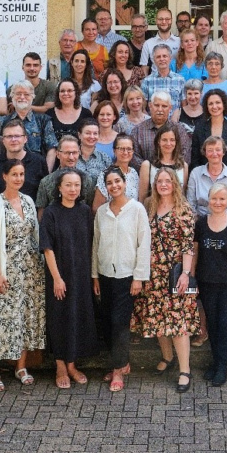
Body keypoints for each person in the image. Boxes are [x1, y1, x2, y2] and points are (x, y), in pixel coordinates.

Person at [132, 168, 200, 393]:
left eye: (167, 181)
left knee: (179, 322)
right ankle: (167, 357)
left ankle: (185, 370)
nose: (163, 184)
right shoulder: (148, 205)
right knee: (157, 318)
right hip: (151, 273)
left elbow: (188, 245)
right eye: (159, 181)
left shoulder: (184, 209)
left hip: (175, 274)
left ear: (175, 183)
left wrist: (186, 274)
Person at [0, 159, 45, 391]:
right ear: (4, 177)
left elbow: (35, 235)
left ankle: (21, 366)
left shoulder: (28, 201)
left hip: (30, 271)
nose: (18, 178)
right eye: (14, 174)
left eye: (21, 174)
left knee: (27, 319)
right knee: (0, 320)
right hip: (6, 272)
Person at [92, 167, 152, 392]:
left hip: (127, 277)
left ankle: (118, 370)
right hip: (106, 274)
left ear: (125, 183)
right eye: (109, 182)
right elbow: (96, 244)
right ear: (105, 187)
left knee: (119, 324)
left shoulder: (137, 210)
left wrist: (139, 277)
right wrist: (95, 275)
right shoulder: (101, 212)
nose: (114, 186)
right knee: (107, 323)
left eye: (117, 181)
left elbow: (143, 244)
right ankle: (122, 363)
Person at [40, 169, 98, 389]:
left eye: (77, 185)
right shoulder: (51, 213)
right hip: (59, 274)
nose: (73, 189)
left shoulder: (84, 211)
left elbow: (91, 244)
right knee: (59, 318)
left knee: (76, 318)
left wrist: (93, 277)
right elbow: (47, 247)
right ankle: (60, 366)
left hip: (80, 274)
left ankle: (72, 365)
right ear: (59, 188)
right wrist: (57, 278)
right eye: (68, 185)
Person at [194, 182, 227, 387]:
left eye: (222, 199)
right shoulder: (200, 224)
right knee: (213, 324)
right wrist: (193, 279)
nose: (218, 202)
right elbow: (196, 252)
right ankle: (216, 361)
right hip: (207, 282)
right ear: (208, 200)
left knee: (225, 325)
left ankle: (222, 366)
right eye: (214, 198)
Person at [0, 80, 59, 171]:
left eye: (26, 94)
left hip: (36, 171)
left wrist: (45, 174)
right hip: (9, 172)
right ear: (12, 97)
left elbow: (52, 148)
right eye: (18, 94)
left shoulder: (43, 120)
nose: (22, 97)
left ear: (33, 97)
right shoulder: (1, 121)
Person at [0, 121, 48, 202]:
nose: (13, 140)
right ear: (3, 140)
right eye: (9, 136)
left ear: (25, 139)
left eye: (17, 136)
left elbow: (44, 196)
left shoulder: (39, 162)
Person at [35, 135, 97, 212]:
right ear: (58, 154)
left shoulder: (86, 180)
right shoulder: (46, 182)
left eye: (74, 153)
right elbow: (41, 213)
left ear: (79, 153)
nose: (71, 157)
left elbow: (90, 209)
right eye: (67, 153)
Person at [186, 136, 227, 217]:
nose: (214, 153)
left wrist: (216, 220)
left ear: (223, 152)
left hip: (226, 222)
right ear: (205, 153)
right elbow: (190, 204)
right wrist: (202, 222)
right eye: (210, 150)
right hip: (200, 222)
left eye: (218, 149)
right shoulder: (195, 173)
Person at [190, 90, 227, 172]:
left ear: (224, 105)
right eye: (210, 104)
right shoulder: (199, 129)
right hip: (204, 179)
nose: (214, 106)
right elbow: (195, 159)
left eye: (218, 102)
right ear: (206, 107)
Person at [134, 90, 193, 164]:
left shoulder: (179, 130)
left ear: (170, 108)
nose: (160, 109)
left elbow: (185, 156)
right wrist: (151, 171)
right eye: (156, 105)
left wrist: (168, 171)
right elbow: (134, 158)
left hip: (173, 174)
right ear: (150, 106)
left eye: (164, 106)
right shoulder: (138, 131)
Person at [139, 124, 188, 202]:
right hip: (153, 211)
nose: (168, 143)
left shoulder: (183, 166)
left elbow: (183, 195)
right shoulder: (147, 166)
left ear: (176, 142)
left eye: (172, 140)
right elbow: (142, 199)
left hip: (176, 212)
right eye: (164, 140)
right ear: (158, 141)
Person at [92, 134, 142, 208]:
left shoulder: (133, 173)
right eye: (121, 149)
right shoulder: (106, 174)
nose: (125, 152)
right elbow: (96, 207)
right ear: (114, 151)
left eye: (129, 149)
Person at [141, 44, 186, 111]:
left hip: (175, 120)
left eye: (164, 56)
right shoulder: (147, 81)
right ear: (154, 60)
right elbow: (142, 108)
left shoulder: (180, 80)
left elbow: (184, 105)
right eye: (158, 57)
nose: (162, 59)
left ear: (170, 58)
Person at [201, 52, 227, 122]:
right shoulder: (200, 85)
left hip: (226, 125)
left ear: (222, 66)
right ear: (206, 67)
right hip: (205, 124)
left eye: (217, 64)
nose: (213, 67)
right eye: (210, 64)